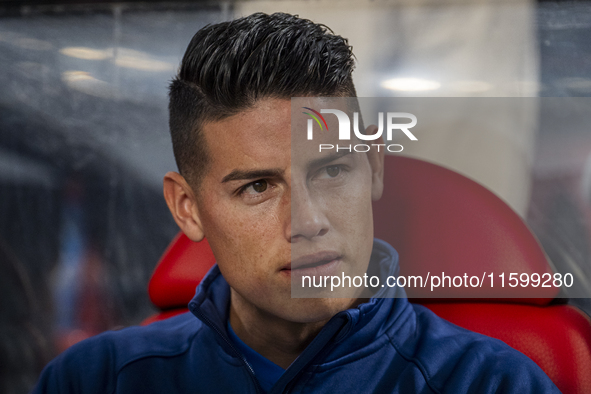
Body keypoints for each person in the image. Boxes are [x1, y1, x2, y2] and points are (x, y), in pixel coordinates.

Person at [33, 12, 560, 393]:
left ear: (373, 165)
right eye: (257, 187)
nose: (307, 222)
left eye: (332, 170)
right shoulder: (93, 380)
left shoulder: (492, 383)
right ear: (187, 208)